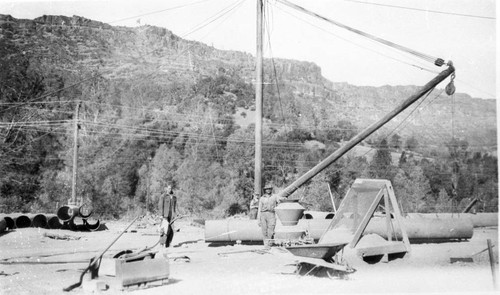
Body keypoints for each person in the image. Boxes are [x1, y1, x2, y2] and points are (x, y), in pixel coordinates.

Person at [157, 184, 177, 257]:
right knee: (164, 230)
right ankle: (162, 244)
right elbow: (160, 205)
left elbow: (174, 207)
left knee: (171, 230)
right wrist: (161, 215)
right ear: (166, 189)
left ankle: (168, 244)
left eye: (170, 188)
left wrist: (175, 214)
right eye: (168, 188)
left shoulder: (174, 197)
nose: (169, 189)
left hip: (172, 216)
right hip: (165, 215)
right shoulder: (163, 196)